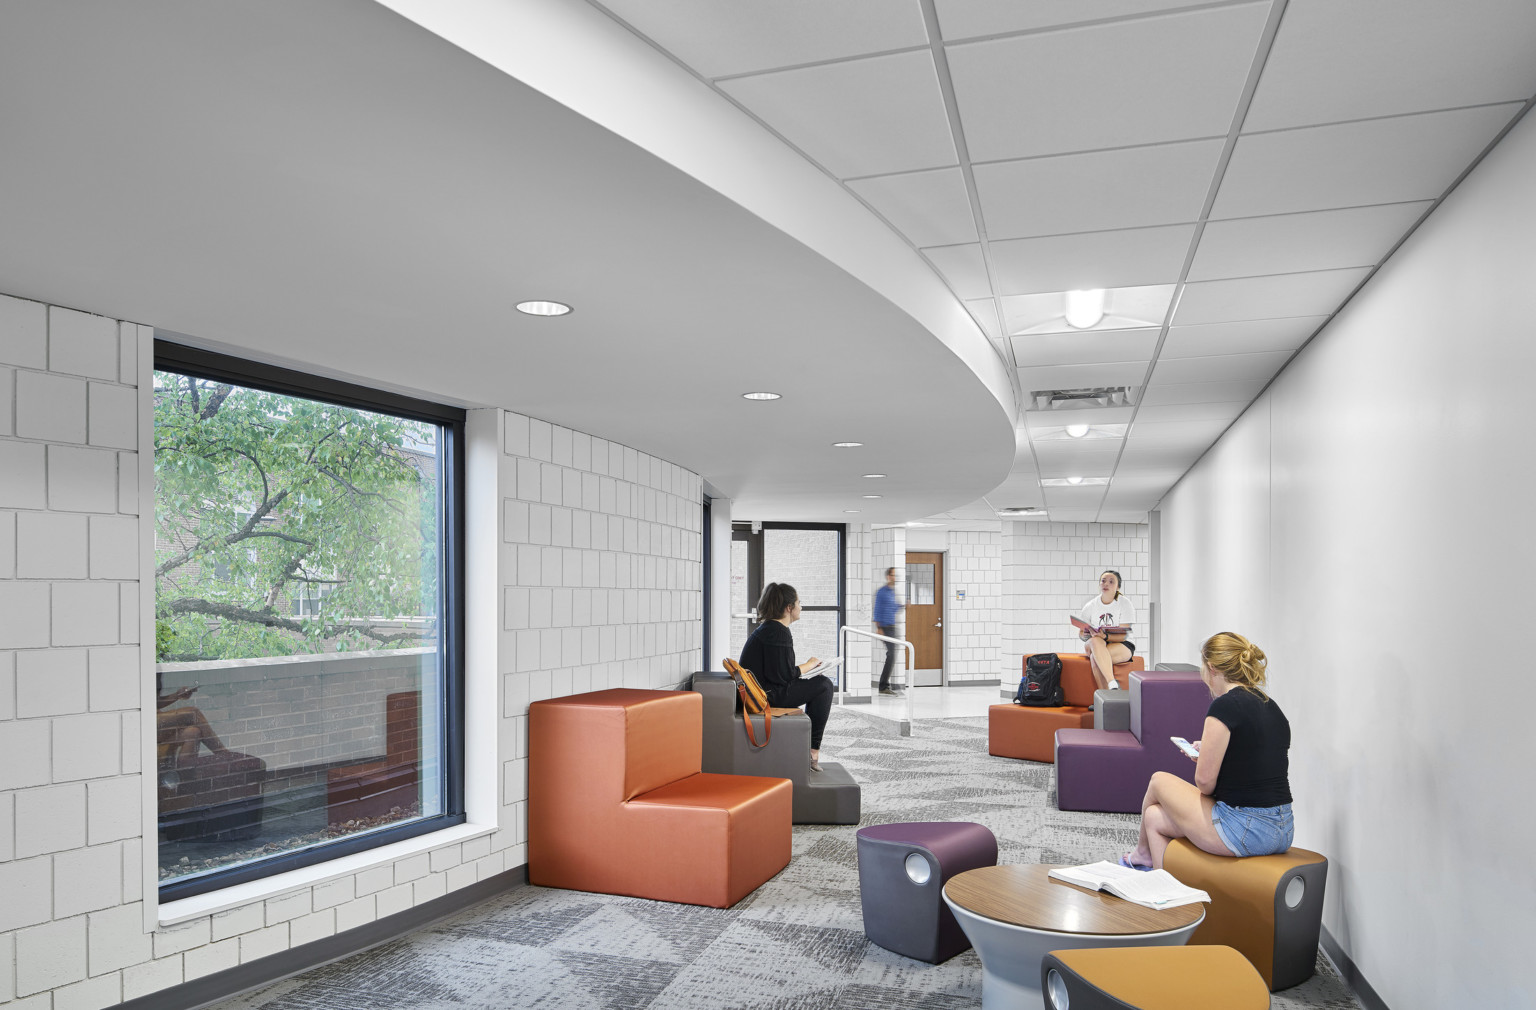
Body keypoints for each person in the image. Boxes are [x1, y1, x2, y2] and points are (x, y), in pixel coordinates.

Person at [1122, 632, 1293, 870]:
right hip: (1282, 829)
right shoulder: (1269, 704)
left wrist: (1203, 762)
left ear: (1211, 668)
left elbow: (1204, 784)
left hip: (1243, 828)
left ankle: (1142, 853)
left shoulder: (1224, 706)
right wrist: (1211, 753)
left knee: (1158, 780)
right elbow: (1254, 758)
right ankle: (1162, 884)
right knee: (1154, 817)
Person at [739, 582, 835, 771]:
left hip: (765, 690)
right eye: (799, 602)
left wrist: (807, 670)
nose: (801, 607)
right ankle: (812, 751)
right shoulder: (777, 632)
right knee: (824, 686)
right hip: (767, 695)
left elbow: (780, 673)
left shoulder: (770, 629)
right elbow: (784, 676)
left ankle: (810, 749)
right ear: (789, 607)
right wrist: (809, 665)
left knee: (819, 684)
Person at [156, 671, 229, 766]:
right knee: (193, 713)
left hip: (157, 721)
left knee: (193, 732)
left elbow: (155, 702)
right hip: (144, 723)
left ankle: (185, 774)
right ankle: (224, 755)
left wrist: (177, 695)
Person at [1078, 570, 1135, 691]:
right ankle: (1112, 683)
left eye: (1111, 582)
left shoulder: (1125, 603)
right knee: (1095, 642)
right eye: (1103, 581)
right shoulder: (1090, 606)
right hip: (1095, 643)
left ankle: (1104, 697)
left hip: (1121, 644)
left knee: (1095, 657)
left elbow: (1123, 635)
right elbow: (1081, 634)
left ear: (1118, 587)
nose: (1106, 584)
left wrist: (1105, 636)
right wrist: (1089, 634)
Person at [873, 567, 904, 696]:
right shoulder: (882, 592)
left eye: (896, 575)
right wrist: (879, 628)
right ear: (888, 576)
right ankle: (883, 686)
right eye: (893, 575)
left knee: (892, 655)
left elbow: (893, 608)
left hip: (892, 626)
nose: (895, 578)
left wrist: (903, 606)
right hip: (885, 627)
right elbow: (877, 610)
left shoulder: (892, 592)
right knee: (891, 655)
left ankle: (884, 685)